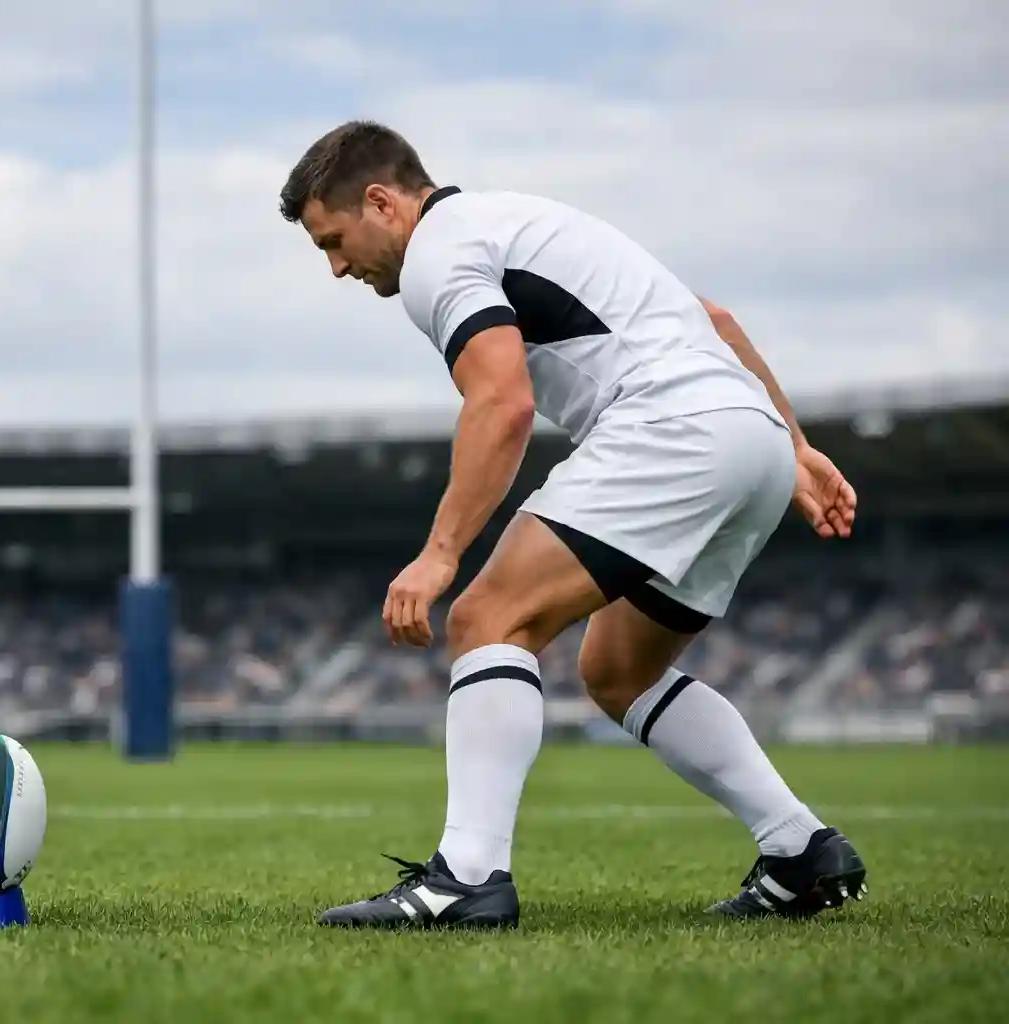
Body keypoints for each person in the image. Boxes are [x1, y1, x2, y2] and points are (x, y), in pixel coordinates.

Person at [277, 120, 868, 929]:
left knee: (489, 618)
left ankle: (468, 879)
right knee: (620, 670)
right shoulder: (522, 219)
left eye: (333, 241)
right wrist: (793, 446)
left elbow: (503, 400)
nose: (339, 267)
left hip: (671, 428)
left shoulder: (439, 256)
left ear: (381, 201)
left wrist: (439, 553)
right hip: (748, 437)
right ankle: (801, 850)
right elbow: (717, 321)